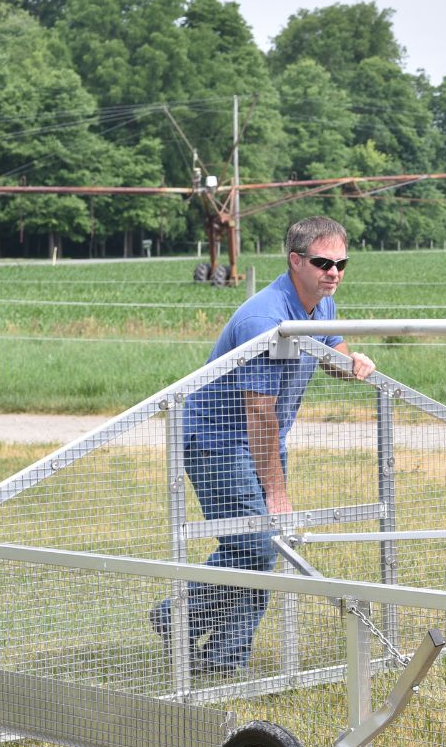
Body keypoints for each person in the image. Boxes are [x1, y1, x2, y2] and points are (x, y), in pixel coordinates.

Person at [152, 216, 374, 678]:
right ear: (295, 261)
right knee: (255, 545)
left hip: (260, 437)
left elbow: (331, 346)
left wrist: (350, 360)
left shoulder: (320, 304)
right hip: (217, 440)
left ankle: (218, 655)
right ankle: (182, 622)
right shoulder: (265, 317)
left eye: (341, 263)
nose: (333, 272)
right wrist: (276, 489)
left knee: (255, 548)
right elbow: (257, 410)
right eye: (322, 262)